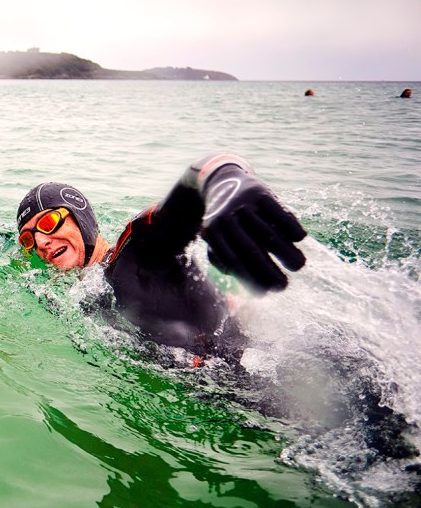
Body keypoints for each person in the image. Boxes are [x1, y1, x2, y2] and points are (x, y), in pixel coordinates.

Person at [15, 152, 307, 357]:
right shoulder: (90, 287)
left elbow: (173, 210)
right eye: (28, 238)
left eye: (49, 222)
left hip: (277, 386)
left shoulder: (133, 259)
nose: (41, 241)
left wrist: (222, 178)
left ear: (82, 219)